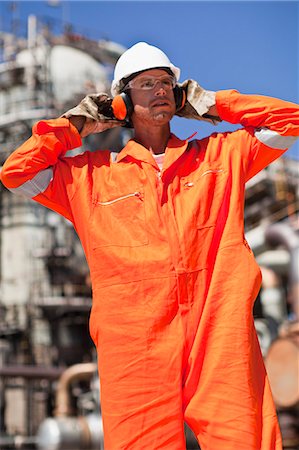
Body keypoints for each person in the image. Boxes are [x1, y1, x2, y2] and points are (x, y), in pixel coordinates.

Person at [1, 41, 298, 450]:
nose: (159, 90)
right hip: (135, 347)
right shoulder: (90, 178)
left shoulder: (219, 157)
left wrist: (213, 104)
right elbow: (16, 173)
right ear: (121, 100)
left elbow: (290, 122)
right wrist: (78, 124)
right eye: (145, 84)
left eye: (166, 83)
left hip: (219, 336)